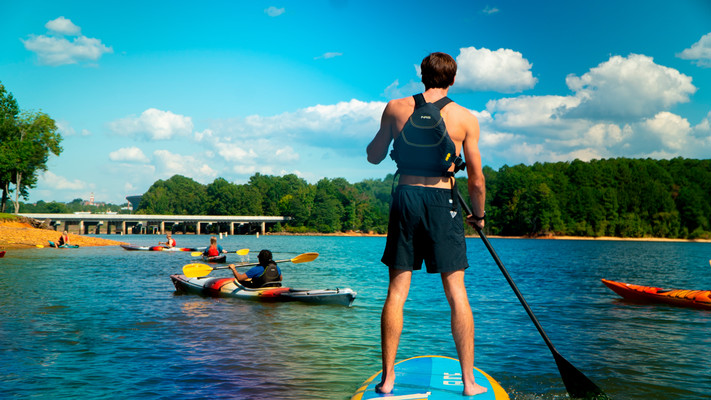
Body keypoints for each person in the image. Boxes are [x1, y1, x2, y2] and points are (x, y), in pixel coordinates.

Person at [366, 52, 487, 396]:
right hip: (441, 202)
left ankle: (388, 380)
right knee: (456, 294)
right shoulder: (465, 118)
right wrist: (477, 216)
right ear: (453, 79)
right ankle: (468, 383)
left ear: (422, 76)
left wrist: (386, 137)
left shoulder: (395, 107)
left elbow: (374, 156)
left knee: (397, 292)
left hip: (405, 198)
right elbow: (476, 179)